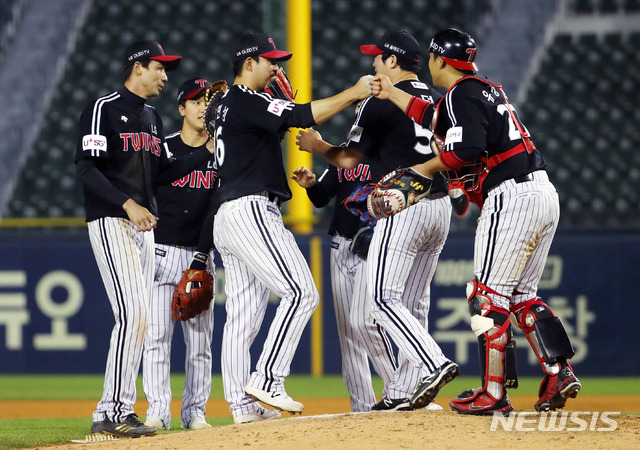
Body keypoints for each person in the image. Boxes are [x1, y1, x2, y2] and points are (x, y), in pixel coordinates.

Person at [371, 28, 581, 415]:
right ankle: (557, 371)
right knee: (521, 296)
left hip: (512, 196)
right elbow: (434, 117)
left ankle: (494, 394)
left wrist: (420, 171)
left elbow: (466, 148)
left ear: (438, 60)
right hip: (542, 192)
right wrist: (392, 92)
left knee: (486, 297)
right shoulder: (484, 88)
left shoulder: (460, 93)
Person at [211, 30, 373, 420]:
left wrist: (282, 113)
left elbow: (270, 128)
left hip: (228, 216)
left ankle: (242, 406)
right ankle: (268, 380)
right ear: (248, 63)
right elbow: (301, 116)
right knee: (301, 293)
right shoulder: (246, 99)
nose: (276, 68)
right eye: (270, 61)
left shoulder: (225, 106)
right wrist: (354, 92)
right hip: (251, 210)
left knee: (243, 318)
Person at [296, 30, 458, 411]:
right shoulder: (435, 99)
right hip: (438, 204)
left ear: (392, 62)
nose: (372, 63)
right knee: (414, 303)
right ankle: (403, 390)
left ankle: (428, 367)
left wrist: (318, 146)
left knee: (375, 305)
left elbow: (350, 160)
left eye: (378, 57)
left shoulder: (379, 98)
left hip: (400, 203)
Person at [75, 40, 214, 437]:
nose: (165, 76)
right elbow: (87, 169)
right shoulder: (103, 109)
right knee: (134, 316)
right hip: (112, 220)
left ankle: (115, 408)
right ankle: (111, 410)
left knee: (138, 319)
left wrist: (213, 145)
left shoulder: (152, 117)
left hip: (142, 229)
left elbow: (167, 171)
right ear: (137, 67)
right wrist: (127, 204)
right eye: (159, 67)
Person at [142, 78, 217, 431]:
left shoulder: (223, 154)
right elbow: (155, 182)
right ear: (181, 109)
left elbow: (217, 209)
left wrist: (202, 256)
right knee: (156, 337)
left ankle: (195, 413)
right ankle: (158, 411)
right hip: (160, 252)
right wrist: (208, 151)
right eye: (195, 100)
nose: (203, 106)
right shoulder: (163, 148)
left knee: (200, 343)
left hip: (198, 256)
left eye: (208, 100)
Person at [291, 163, 398, 412]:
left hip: (374, 246)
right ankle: (362, 407)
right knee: (348, 332)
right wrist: (311, 186)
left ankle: (399, 391)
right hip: (341, 245)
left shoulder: (388, 152)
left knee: (366, 323)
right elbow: (321, 198)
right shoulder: (343, 153)